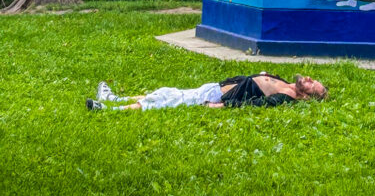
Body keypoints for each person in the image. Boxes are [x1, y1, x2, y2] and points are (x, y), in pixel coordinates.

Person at [86, 72, 327, 112]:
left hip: (215, 96)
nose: (308, 79)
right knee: (169, 92)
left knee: (167, 99)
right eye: (312, 79)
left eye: (311, 84)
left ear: (306, 96)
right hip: (214, 87)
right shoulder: (286, 83)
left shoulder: (284, 98)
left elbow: (252, 104)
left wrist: (218, 105)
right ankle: (114, 98)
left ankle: (110, 109)